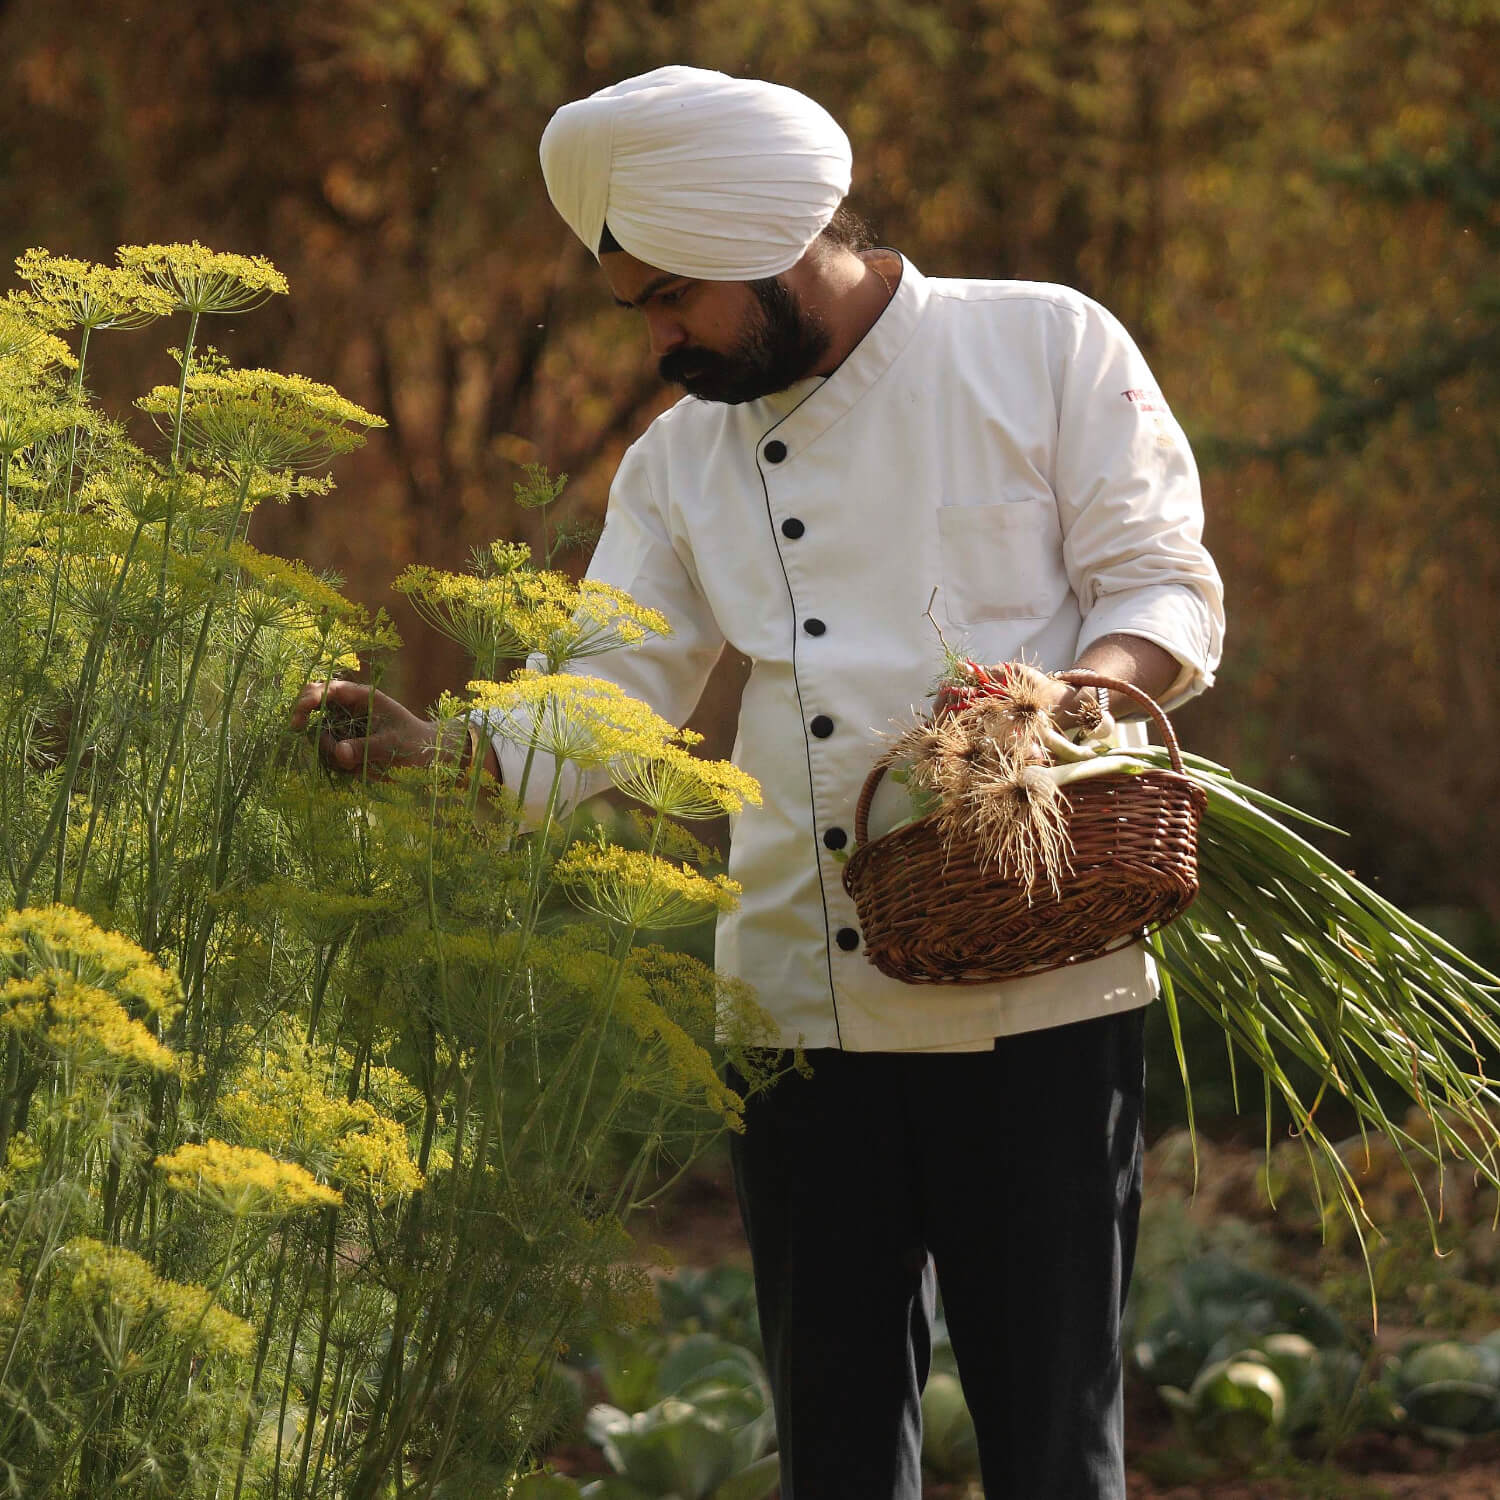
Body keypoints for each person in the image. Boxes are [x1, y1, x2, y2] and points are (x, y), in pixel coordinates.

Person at [293, 66, 1224, 1500]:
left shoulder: (1039, 344)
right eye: (640, 310)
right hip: (798, 1014)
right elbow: (609, 691)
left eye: (673, 299)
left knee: (1057, 1453)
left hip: (1041, 1001)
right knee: (835, 1458)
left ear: (770, 244)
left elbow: (1161, 580)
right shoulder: (678, 463)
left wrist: (1076, 703)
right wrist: (436, 756)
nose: (659, 340)